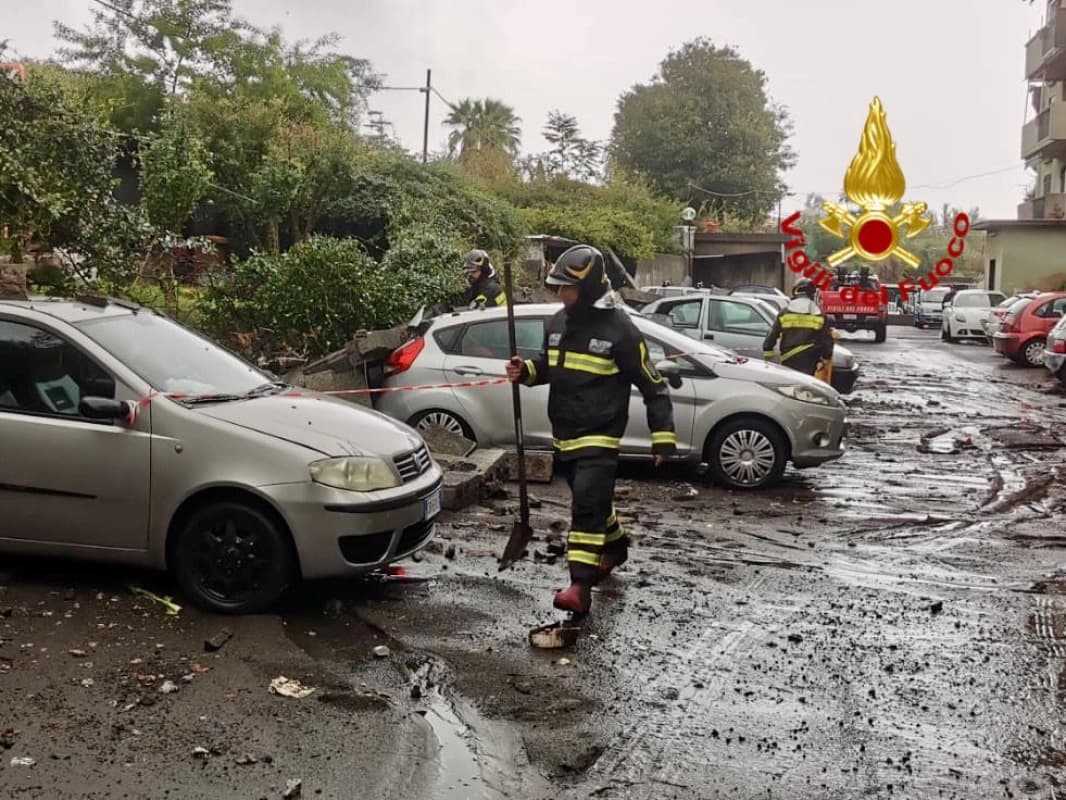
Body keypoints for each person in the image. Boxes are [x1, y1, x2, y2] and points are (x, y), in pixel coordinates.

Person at [505, 244, 677, 617]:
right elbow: (549, 366)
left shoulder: (622, 331)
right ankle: (615, 546)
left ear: (590, 288)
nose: (561, 295)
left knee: (585, 504)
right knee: (593, 501)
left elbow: (653, 384)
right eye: (559, 288)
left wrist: (662, 435)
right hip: (563, 433)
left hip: (600, 435)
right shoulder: (556, 323)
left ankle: (579, 586)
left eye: (567, 288)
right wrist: (527, 372)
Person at [762, 278, 835, 376]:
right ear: (811, 293)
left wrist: (768, 352)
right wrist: (825, 359)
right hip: (810, 358)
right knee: (806, 384)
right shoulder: (819, 314)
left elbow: (772, 334)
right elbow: (827, 340)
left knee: (790, 382)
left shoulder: (785, 312)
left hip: (788, 357)